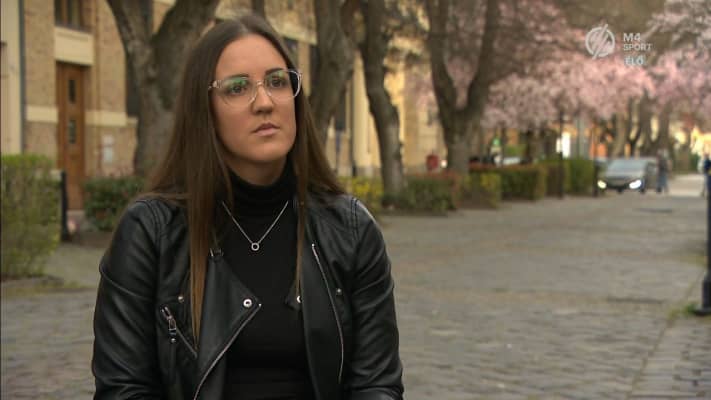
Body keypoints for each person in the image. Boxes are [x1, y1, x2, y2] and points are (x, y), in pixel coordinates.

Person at [91, 15, 403, 400]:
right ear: (204, 110)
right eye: (237, 88)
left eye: (277, 81)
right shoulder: (151, 233)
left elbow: (377, 385)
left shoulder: (350, 230)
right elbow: (124, 388)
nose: (265, 103)